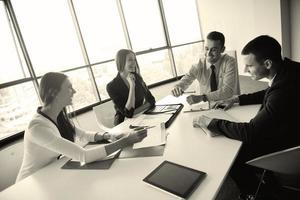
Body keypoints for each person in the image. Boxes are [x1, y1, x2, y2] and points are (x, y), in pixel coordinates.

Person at [195, 35, 300, 198]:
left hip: (290, 146)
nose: (245, 71)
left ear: (267, 63)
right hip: (293, 128)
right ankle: (263, 178)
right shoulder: (289, 69)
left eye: (249, 66)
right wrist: (238, 99)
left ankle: (254, 192)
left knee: (233, 153)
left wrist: (212, 123)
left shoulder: (283, 90)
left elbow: (250, 132)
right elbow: (269, 93)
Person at [16, 72, 147, 182]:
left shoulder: (59, 115)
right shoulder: (37, 127)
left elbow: (83, 134)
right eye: (69, 87)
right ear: (53, 92)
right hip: (30, 182)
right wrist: (125, 141)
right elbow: (84, 156)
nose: (74, 91)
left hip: (51, 173)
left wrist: (108, 135)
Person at [171, 31, 240, 105]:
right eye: (207, 48)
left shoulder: (230, 62)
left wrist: (202, 97)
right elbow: (186, 80)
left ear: (222, 49)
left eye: (213, 50)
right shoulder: (198, 65)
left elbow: (227, 91)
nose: (209, 53)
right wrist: (177, 87)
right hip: (207, 106)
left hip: (228, 103)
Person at [107, 49, 156, 126]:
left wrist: (137, 112)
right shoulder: (111, 86)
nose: (134, 63)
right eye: (130, 60)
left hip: (140, 117)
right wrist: (132, 86)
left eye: (134, 60)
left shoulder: (137, 77)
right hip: (123, 123)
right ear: (121, 62)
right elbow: (128, 113)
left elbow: (151, 100)